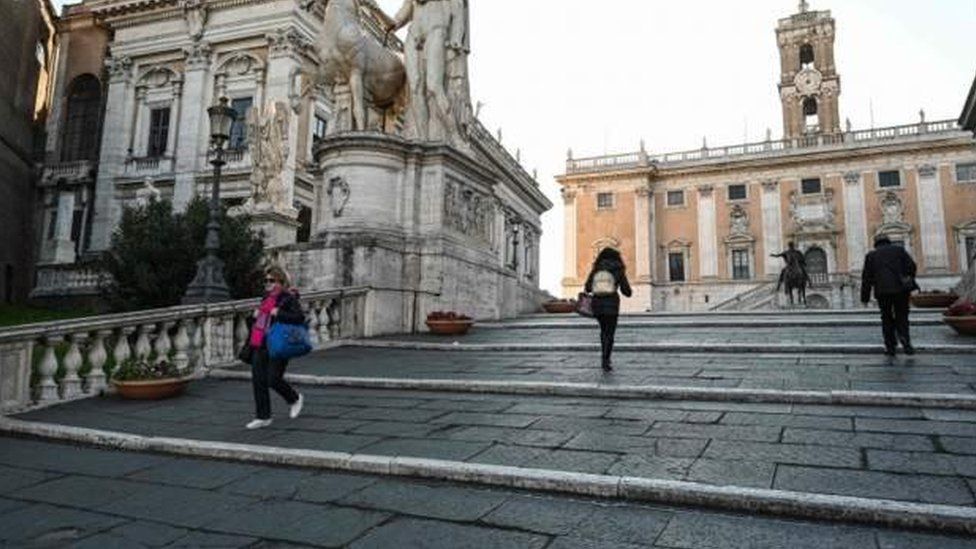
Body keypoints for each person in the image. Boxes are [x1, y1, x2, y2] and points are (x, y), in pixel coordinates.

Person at [246, 266, 306, 429]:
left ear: (281, 282)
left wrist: (277, 312)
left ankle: (294, 398)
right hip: (260, 342)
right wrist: (253, 316)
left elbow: (299, 318)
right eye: (266, 280)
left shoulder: (288, 298)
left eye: (271, 280)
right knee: (258, 380)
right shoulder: (266, 298)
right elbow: (258, 322)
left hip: (279, 344)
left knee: (273, 379)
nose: (268, 283)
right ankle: (263, 416)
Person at [861, 235, 919, 357]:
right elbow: (912, 266)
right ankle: (904, 338)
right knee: (902, 316)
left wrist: (865, 297)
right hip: (901, 290)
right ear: (888, 242)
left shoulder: (871, 256)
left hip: (882, 291)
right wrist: (907, 277)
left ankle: (890, 346)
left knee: (886, 317)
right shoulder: (899, 250)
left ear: (876, 244)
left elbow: (866, 278)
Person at [584, 248, 632, 372]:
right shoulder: (619, 269)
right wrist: (626, 290)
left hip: (597, 304)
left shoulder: (596, 269)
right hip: (612, 304)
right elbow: (626, 291)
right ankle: (606, 359)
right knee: (610, 333)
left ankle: (604, 356)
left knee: (603, 331)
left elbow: (588, 288)